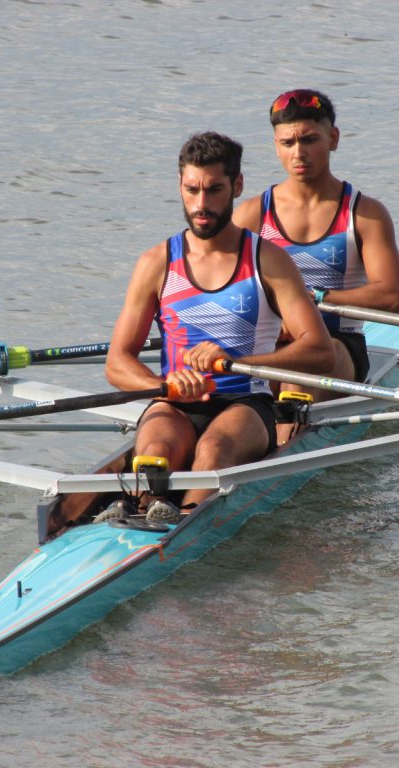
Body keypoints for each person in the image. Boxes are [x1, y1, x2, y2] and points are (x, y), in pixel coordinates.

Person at [104, 131, 333, 523]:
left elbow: (320, 350)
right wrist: (164, 385)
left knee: (213, 450)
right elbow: (117, 362)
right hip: (175, 402)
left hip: (246, 403)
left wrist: (236, 362)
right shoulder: (156, 263)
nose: (201, 204)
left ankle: (181, 523)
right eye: (191, 190)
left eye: (214, 190)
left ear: (237, 186)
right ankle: (144, 510)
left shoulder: (269, 261)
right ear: (180, 186)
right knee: (155, 450)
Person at [234, 88, 399, 397]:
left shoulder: (365, 214)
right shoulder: (251, 216)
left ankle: (285, 421)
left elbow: (391, 297)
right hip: (272, 341)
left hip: (337, 343)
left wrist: (316, 298)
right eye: (288, 143)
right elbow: (225, 291)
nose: (298, 153)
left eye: (310, 140)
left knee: (298, 375)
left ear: (333, 139)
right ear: (276, 146)